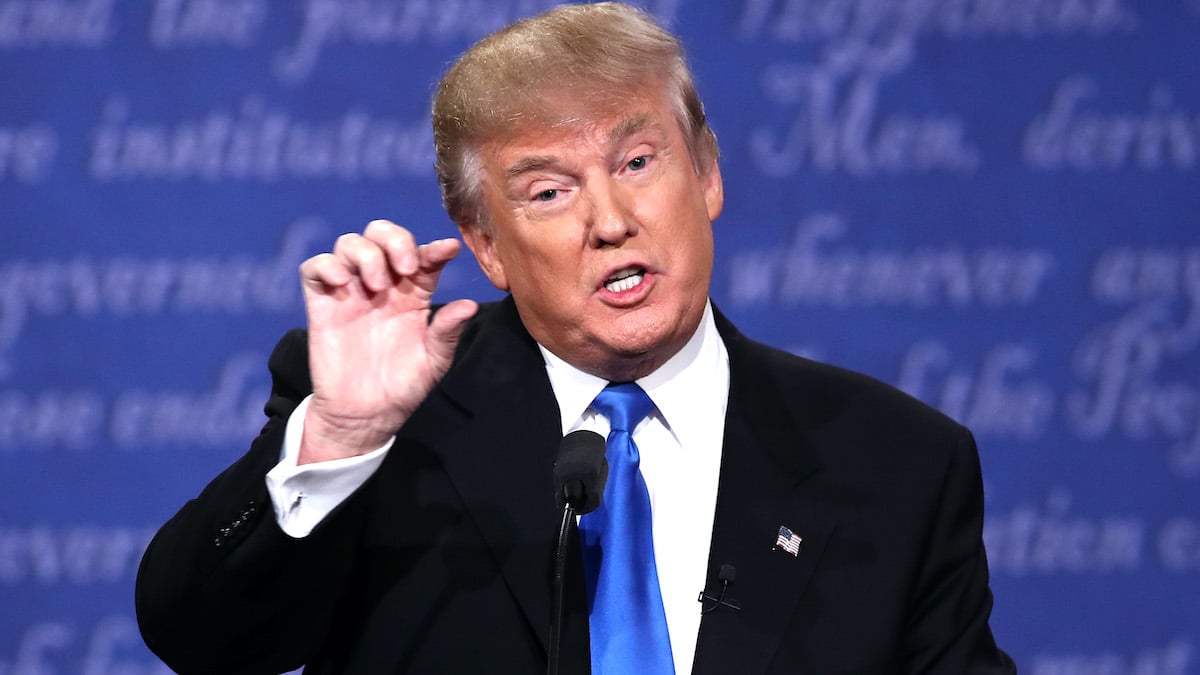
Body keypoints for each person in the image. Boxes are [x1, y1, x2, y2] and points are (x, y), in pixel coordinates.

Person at [135, 3, 1016, 673]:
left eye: (638, 163)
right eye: (549, 191)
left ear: (706, 173)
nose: (611, 220)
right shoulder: (396, 427)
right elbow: (199, 634)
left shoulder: (897, 463)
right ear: (485, 245)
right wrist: (344, 437)